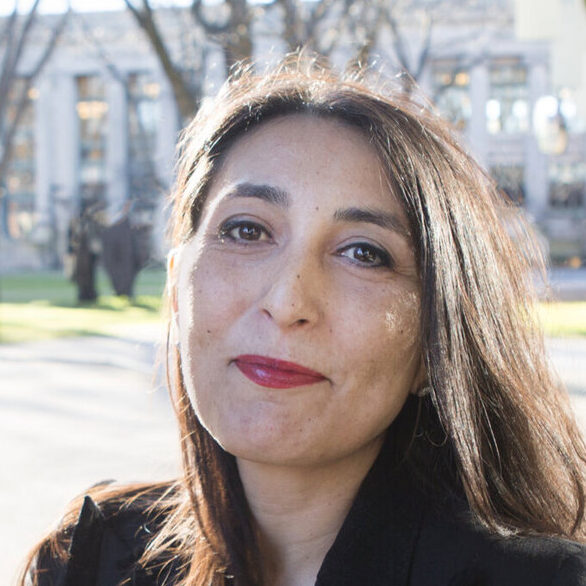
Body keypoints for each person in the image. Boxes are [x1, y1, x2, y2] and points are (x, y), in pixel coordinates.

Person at [21, 56, 586, 586]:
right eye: (247, 230)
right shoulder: (91, 559)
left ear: (435, 341)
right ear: (176, 286)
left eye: (364, 252)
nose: (288, 300)